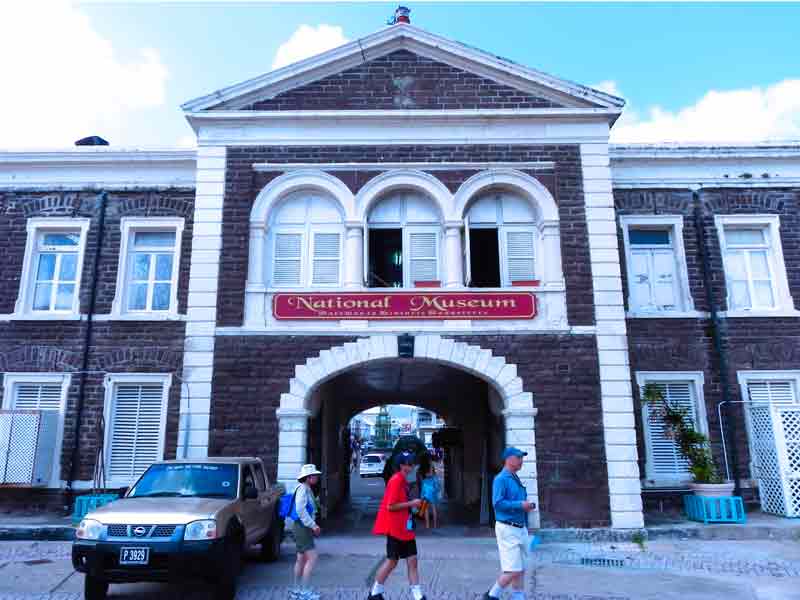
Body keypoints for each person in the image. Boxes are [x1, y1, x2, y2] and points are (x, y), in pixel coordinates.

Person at [368, 451, 427, 600]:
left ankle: (417, 595)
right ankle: (375, 592)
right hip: (395, 529)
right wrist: (412, 503)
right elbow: (390, 506)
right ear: (401, 465)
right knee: (392, 562)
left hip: (405, 529)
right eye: (407, 464)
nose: (410, 467)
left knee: (412, 560)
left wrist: (413, 505)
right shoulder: (396, 480)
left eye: (411, 464)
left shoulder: (402, 480)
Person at [483, 448, 537, 600]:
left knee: (520, 567)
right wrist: (521, 505)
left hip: (519, 528)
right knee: (513, 570)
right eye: (518, 457)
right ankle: (491, 596)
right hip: (508, 528)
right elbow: (497, 503)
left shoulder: (514, 477)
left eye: (522, 457)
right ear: (508, 459)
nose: (521, 461)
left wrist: (527, 507)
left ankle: (518, 596)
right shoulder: (501, 479)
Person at [290, 464, 323, 600]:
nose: (317, 477)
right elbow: (300, 510)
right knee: (312, 558)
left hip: (300, 527)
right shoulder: (303, 489)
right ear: (308, 477)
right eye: (314, 475)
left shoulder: (304, 488)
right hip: (303, 528)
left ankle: (296, 590)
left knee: (301, 559)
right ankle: (304, 591)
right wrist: (313, 525)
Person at [420, 463, 440, 529]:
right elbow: (437, 488)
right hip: (433, 496)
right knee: (434, 509)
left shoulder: (424, 481)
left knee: (426, 510)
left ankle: (427, 525)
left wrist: (421, 497)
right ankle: (435, 525)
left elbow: (422, 490)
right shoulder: (435, 480)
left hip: (426, 496)